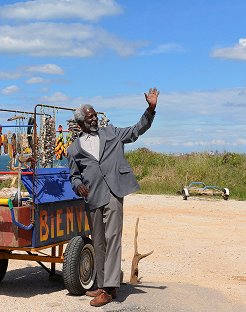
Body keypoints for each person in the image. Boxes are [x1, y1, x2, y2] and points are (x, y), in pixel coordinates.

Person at [67, 88, 159, 307]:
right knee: (98, 242)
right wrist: (78, 185)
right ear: (80, 123)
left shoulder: (112, 133)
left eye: (96, 115)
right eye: (90, 117)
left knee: (113, 238)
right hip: (93, 196)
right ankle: (103, 284)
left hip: (113, 192)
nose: (95, 118)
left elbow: (137, 130)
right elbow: (74, 176)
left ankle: (108, 290)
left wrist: (151, 108)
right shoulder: (73, 149)